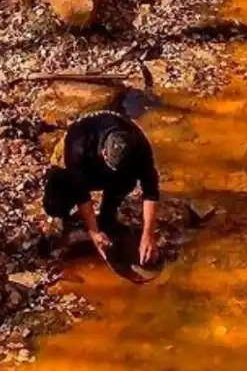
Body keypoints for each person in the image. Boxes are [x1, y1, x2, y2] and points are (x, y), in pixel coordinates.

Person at [42, 111, 160, 265]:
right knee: (55, 202)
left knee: (126, 179)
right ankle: (64, 219)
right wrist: (94, 232)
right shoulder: (79, 141)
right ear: (104, 152)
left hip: (111, 167)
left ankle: (107, 217)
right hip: (80, 165)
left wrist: (148, 234)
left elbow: (150, 190)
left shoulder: (138, 145)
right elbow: (81, 191)